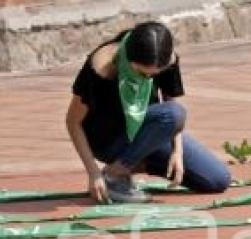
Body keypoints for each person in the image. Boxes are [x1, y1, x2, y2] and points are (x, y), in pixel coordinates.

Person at [65, 22, 231, 203]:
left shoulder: (165, 59)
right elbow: (73, 122)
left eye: (154, 75)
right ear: (129, 58)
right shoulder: (102, 66)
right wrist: (93, 173)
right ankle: (115, 174)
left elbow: (169, 103)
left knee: (217, 180)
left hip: (148, 134)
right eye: (142, 74)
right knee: (173, 114)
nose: (148, 79)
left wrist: (177, 152)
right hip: (109, 139)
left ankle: (124, 167)